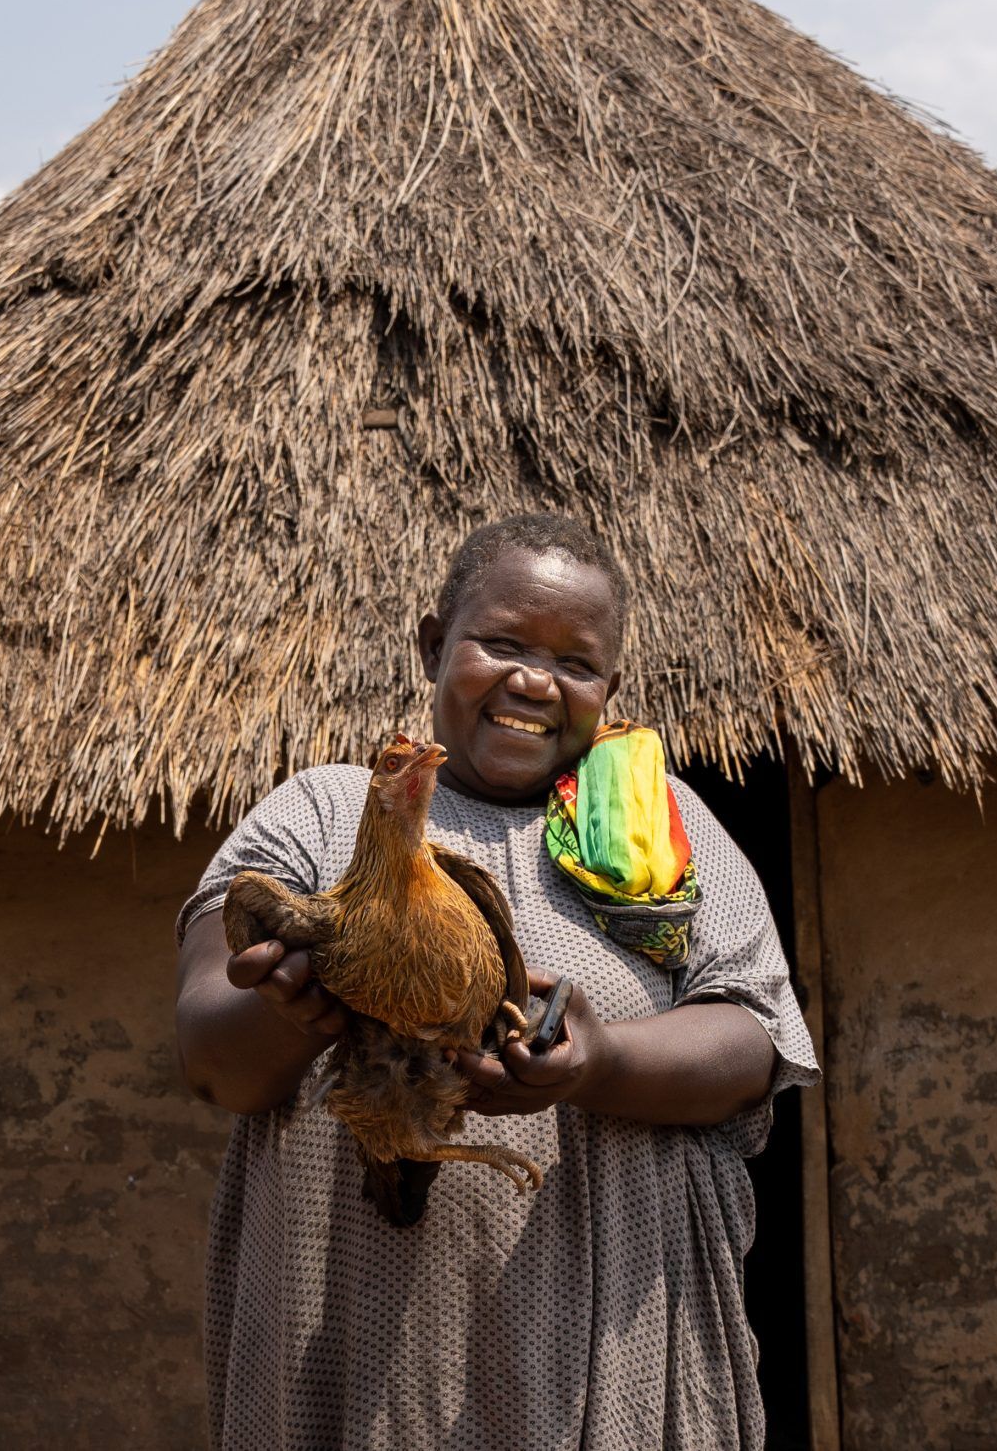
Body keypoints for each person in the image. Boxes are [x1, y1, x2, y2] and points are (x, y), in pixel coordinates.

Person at [174, 513, 819, 1450]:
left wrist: (599, 1060)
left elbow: (759, 1037)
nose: (534, 681)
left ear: (610, 689)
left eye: (576, 662)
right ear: (436, 644)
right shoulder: (316, 816)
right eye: (502, 642)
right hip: (356, 1352)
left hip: (611, 1351)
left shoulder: (662, 828)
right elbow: (208, 1057)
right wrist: (297, 1010)